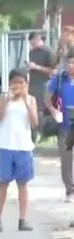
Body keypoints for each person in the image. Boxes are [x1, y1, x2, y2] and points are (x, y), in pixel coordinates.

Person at [0, 69, 38, 232]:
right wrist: (7, 100)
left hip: (23, 147)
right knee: (2, 183)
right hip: (6, 146)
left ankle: (23, 219)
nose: (17, 86)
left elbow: (34, 123)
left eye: (21, 83)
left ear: (26, 84)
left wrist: (25, 100)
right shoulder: (4, 98)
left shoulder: (31, 99)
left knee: (23, 184)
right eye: (14, 83)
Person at [46, 55, 74, 201]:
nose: (71, 65)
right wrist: (53, 111)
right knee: (66, 160)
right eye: (69, 62)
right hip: (65, 126)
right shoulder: (60, 79)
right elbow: (47, 98)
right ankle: (70, 190)